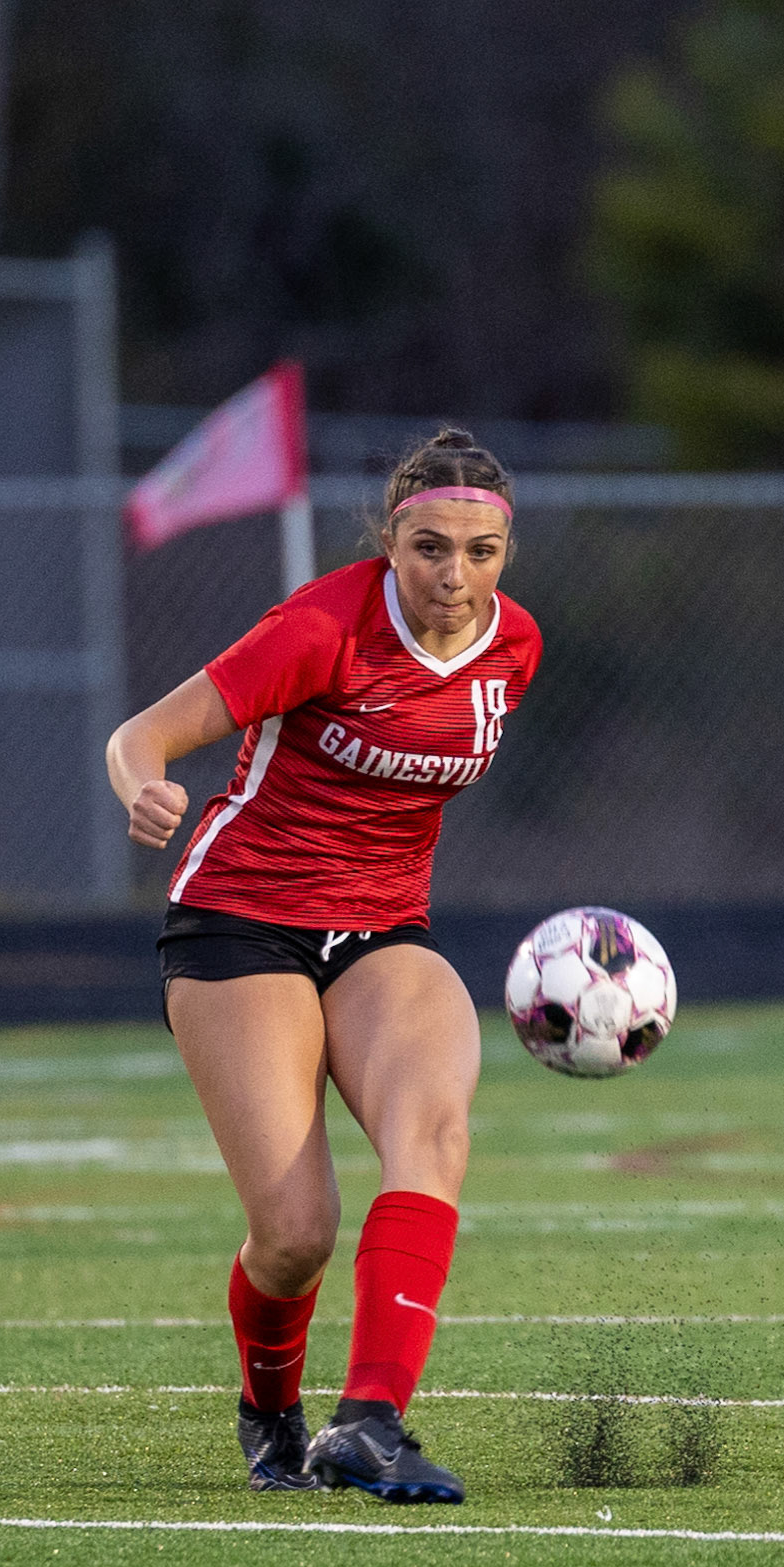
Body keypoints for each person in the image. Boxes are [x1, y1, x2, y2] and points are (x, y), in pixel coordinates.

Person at [106, 428, 542, 1504]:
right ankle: (270, 1412)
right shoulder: (320, 627)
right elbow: (141, 734)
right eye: (429, 547)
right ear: (390, 542)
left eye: (480, 551)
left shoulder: (516, 648)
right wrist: (143, 788)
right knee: (295, 1234)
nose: (454, 575)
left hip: (384, 928)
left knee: (433, 1135)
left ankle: (371, 1423)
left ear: (506, 552)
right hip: (241, 921)